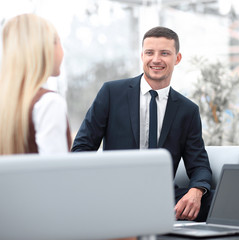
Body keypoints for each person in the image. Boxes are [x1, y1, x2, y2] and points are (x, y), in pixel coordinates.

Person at [72, 26, 213, 222]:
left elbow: (199, 164)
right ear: (142, 56)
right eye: (149, 53)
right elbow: (82, 148)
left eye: (164, 53)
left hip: (162, 195)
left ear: (177, 58)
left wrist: (196, 191)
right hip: (114, 194)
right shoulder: (112, 93)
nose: (156, 59)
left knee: (216, 202)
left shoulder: (187, 110)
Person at [0, 13, 70, 155]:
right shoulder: (49, 103)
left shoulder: (6, 104)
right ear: (45, 48)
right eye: (58, 42)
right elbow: (55, 173)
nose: (63, 52)